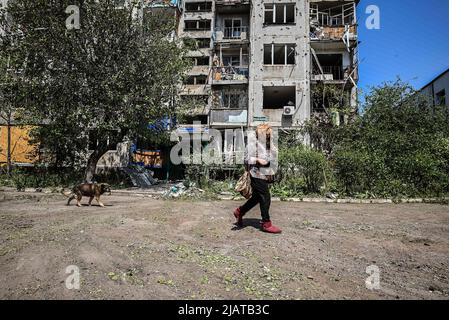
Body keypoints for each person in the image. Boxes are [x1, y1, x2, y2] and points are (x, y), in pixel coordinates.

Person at [233, 124, 282, 234]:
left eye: (269, 135)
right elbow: (246, 160)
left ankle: (240, 211)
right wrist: (258, 160)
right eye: (267, 134)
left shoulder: (267, 144)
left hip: (264, 174)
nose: (269, 136)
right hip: (255, 174)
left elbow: (270, 158)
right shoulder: (252, 144)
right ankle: (266, 223)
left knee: (256, 198)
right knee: (265, 196)